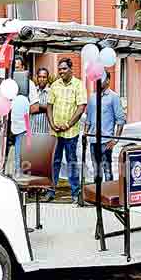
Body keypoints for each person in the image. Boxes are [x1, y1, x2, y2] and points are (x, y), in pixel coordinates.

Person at [45, 58, 87, 204]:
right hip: (55, 132)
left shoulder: (78, 85)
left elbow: (81, 107)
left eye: (64, 69)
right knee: (53, 161)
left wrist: (68, 124)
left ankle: (75, 192)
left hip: (70, 132)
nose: (61, 71)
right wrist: (51, 123)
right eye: (60, 69)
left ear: (71, 69)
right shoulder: (54, 85)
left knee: (71, 161)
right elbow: (49, 106)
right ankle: (51, 191)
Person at [85, 72, 125, 182]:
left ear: (107, 80)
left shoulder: (114, 97)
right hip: (93, 140)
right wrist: (85, 134)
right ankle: (98, 197)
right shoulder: (92, 97)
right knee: (96, 170)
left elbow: (121, 120)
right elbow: (88, 118)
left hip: (106, 141)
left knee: (107, 170)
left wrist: (115, 140)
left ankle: (107, 194)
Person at [9, 56, 38, 177]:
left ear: (23, 68)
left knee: (20, 154)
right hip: (7, 125)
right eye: (13, 68)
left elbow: (35, 106)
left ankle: (19, 177)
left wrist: (22, 113)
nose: (15, 71)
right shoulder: (8, 83)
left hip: (23, 125)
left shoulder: (28, 84)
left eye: (17, 67)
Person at [30, 67, 52, 135]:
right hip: (32, 131)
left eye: (44, 77)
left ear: (47, 78)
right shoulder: (32, 91)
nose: (42, 79)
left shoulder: (51, 93)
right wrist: (46, 108)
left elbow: (52, 109)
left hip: (46, 132)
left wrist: (36, 107)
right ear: (37, 78)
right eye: (40, 77)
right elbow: (29, 109)